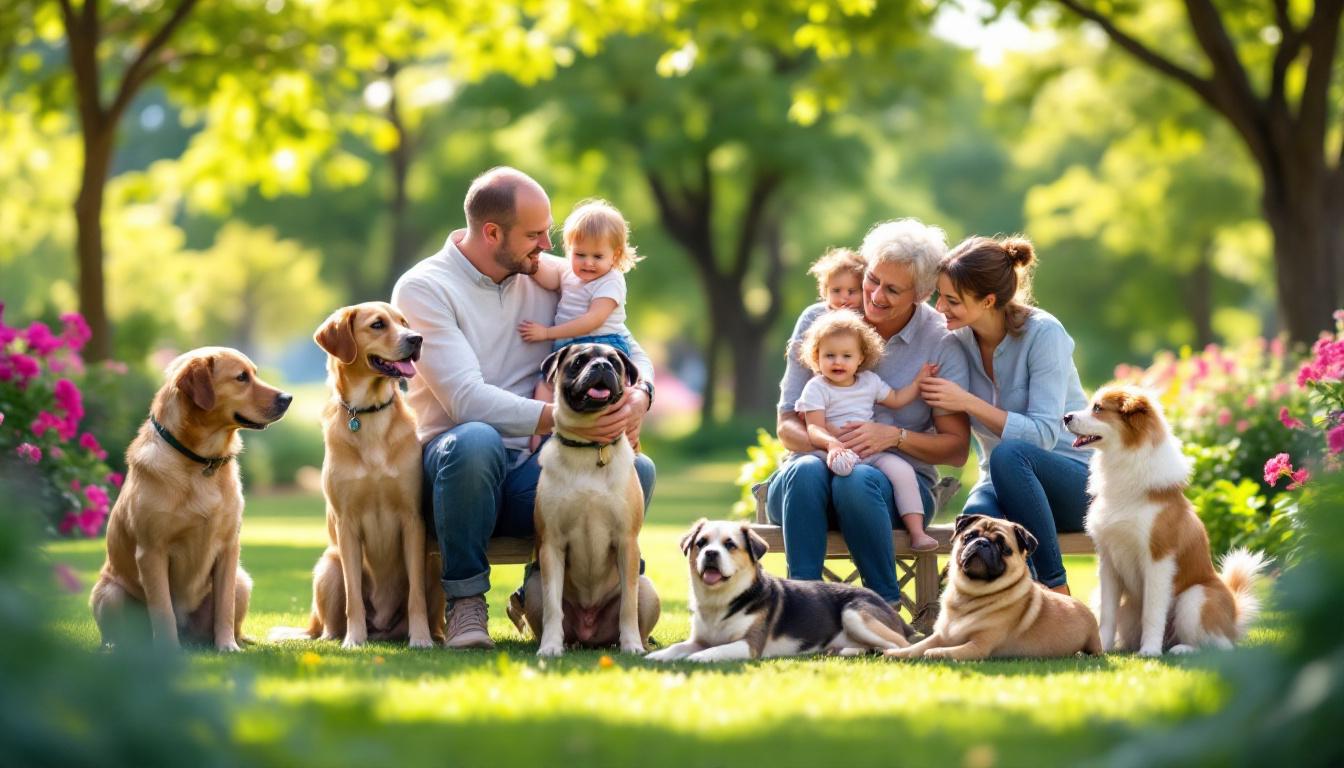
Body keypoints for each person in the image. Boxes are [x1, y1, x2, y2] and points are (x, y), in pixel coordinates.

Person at [391, 167, 657, 649]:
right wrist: (569, 420)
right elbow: (465, 399)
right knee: (476, 438)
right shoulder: (424, 288)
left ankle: (556, 595)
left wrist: (641, 395)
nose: (547, 246)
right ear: (493, 233)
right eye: (536, 235)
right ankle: (466, 604)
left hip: (535, 475)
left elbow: (621, 338)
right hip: (458, 478)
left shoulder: (546, 272)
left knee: (637, 468)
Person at [767, 219, 972, 606]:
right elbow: (787, 426)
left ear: (924, 293)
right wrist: (829, 448)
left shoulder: (941, 342)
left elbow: (956, 449)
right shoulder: (819, 321)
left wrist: (894, 438)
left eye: (892, 289)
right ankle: (804, 606)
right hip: (805, 490)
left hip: (896, 494)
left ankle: (884, 606)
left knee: (857, 482)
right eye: (872, 280)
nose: (874, 296)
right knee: (810, 469)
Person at [919, 235, 1090, 594]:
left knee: (1010, 454)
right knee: (975, 518)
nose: (939, 308)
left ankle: (1057, 591)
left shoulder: (1044, 334)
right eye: (939, 295)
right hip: (1002, 483)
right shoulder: (955, 343)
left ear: (989, 301)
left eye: (951, 300)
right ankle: (1009, 613)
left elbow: (1043, 434)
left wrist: (967, 401)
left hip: (1075, 483)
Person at [794, 310, 941, 551]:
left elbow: (896, 398)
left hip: (870, 450)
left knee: (903, 470)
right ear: (816, 356)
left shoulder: (869, 382)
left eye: (846, 355)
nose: (838, 362)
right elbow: (814, 427)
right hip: (834, 452)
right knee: (831, 473)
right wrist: (832, 445)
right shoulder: (816, 388)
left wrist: (918, 382)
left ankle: (916, 532)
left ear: (861, 357)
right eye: (829, 355)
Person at [519, 198, 643, 413]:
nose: (588, 262)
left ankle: (617, 427)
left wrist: (547, 333)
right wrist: (531, 264)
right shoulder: (569, 271)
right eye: (579, 254)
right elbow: (549, 279)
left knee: (611, 388)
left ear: (615, 256)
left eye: (597, 256)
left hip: (604, 344)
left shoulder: (611, 281)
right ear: (569, 251)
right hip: (568, 344)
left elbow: (592, 320)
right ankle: (541, 432)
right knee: (546, 383)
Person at [807, 246, 866, 312]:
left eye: (851, 292)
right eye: (836, 291)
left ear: (863, 292)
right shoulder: (813, 314)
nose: (843, 300)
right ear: (825, 292)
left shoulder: (867, 318)